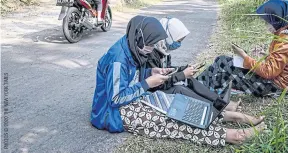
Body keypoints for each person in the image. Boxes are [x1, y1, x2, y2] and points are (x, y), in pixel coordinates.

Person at [90, 15, 266, 146]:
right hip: (112, 113)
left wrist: (151, 71)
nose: (151, 49)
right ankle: (232, 136)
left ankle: (227, 116)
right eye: (150, 45)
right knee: (171, 121)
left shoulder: (130, 46)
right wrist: (147, 83)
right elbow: (115, 99)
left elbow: (131, 77)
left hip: (131, 100)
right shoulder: (118, 60)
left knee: (176, 103)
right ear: (139, 38)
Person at [197, 0, 288, 97]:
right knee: (222, 61)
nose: (266, 26)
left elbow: (269, 72)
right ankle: (203, 88)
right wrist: (265, 55)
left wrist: (244, 56)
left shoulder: (287, 40)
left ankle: (197, 88)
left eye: (268, 22)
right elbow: (285, 63)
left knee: (223, 64)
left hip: (275, 87)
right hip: (283, 82)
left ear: (278, 19)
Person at [147, 17, 243, 112]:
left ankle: (221, 104)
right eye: (178, 41)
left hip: (161, 84)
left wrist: (184, 69)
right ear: (168, 38)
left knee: (189, 79)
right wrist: (182, 74)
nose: (179, 44)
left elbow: (167, 70)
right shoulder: (151, 54)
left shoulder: (163, 51)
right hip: (153, 92)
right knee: (180, 89)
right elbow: (157, 83)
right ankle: (215, 110)